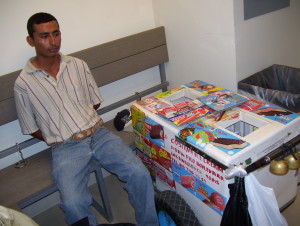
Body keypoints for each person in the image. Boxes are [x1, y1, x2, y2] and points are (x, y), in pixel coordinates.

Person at [14, 12, 159, 226]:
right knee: (73, 203)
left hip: (99, 134)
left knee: (139, 174)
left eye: (56, 34)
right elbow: (30, 126)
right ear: (31, 40)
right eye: (44, 36)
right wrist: (59, 134)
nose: (53, 41)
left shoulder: (77, 65)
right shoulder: (23, 83)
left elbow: (94, 101)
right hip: (65, 147)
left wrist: (82, 119)